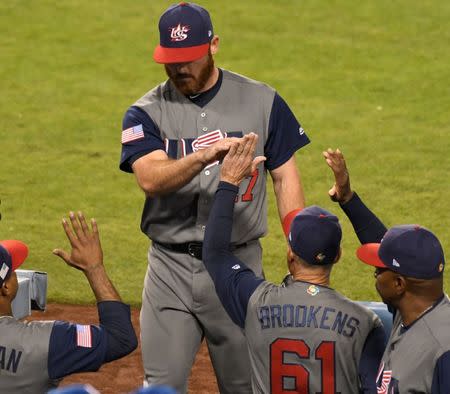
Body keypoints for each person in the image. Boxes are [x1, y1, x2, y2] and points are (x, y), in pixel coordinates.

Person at [119, 2, 310, 392]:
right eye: (171, 60)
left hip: (238, 268)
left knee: (245, 385)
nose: (179, 68)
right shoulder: (144, 112)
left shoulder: (262, 100)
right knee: (161, 385)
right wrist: (203, 155)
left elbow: (285, 175)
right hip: (169, 270)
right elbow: (151, 179)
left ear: (214, 46)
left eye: (189, 58)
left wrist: (299, 244)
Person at [202, 135, 386, 393]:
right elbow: (392, 260)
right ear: (338, 256)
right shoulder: (365, 322)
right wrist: (348, 198)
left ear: (290, 254)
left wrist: (229, 181)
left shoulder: (255, 302)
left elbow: (214, 252)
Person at [325, 148, 450, 393]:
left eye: (379, 271)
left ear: (399, 284)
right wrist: (348, 197)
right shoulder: (413, 308)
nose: (374, 273)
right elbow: (386, 247)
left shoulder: (442, 350)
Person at [0, 212, 138, 394]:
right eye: (14, 270)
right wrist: (94, 268)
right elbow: (120, 338)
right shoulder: (47, 341)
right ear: (6, 287)